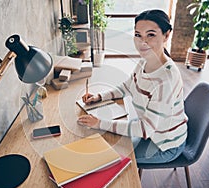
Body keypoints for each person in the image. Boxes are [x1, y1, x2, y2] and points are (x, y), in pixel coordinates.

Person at [77, 9, 187, 164]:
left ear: (166, 35)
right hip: (150, 131)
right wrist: (100, 97)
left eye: (151, 35)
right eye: (138, 35)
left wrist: (99, 123)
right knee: (102, 146)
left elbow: (144, 130)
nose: (143, 42)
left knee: (108, 157)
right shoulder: (145, 61)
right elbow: (127, 87)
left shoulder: (166, 80)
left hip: (164, 144)